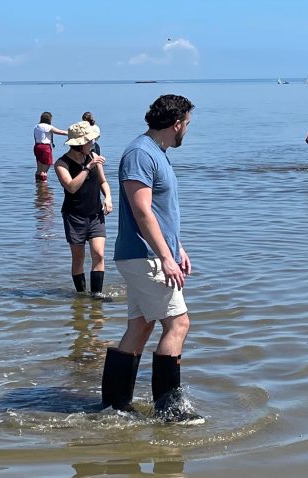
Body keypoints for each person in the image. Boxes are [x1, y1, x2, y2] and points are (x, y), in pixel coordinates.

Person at [103, 94, 204, 425]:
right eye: (187, 124)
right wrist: (165, 257)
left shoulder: (156, 154)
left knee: (141, 325)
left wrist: (178, 248)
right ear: (176, 124)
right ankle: (170, 411)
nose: (187, 131)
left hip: (149, 254)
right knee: (179, 323)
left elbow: (161, 213)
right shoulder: (140, 154)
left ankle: (116, 407)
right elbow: (141, 210)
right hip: (144, 256)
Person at [56, 121, 111, 297]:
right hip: (74, 216)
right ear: (79, 144)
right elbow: (71, 187)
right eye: (89, 141)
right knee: (78, 258)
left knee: (99, 254)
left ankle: (96, 295)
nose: (92, 144)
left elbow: (103, 181)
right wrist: (88, 168)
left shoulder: (93, 156)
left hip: (95, 214)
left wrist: (108, 198)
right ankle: (81, 294)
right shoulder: (61, 164)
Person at [33, 112, 68, 182]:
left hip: (37, 146)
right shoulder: (48, 127)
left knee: (39, 169)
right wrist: (72, 133)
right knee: (44, 170)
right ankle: (44, 187)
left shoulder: (36, 126)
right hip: (45, 147)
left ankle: (38, 185)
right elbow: (61, 132)